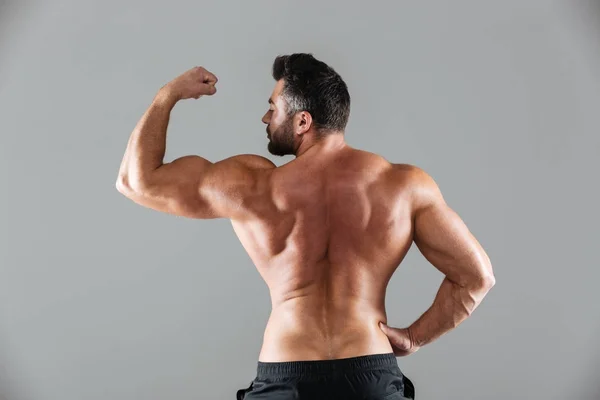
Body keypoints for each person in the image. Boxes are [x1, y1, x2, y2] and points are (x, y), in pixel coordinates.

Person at [116, 53, 495, 400]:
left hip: (287, 374)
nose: (266, 119)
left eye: (272, 107)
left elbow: (136, 181)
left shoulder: (252, 184)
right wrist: (412, 338)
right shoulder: (404, 185)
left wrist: (166, 96)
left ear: (302, 120)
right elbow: (476, 278)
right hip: (369, 372)